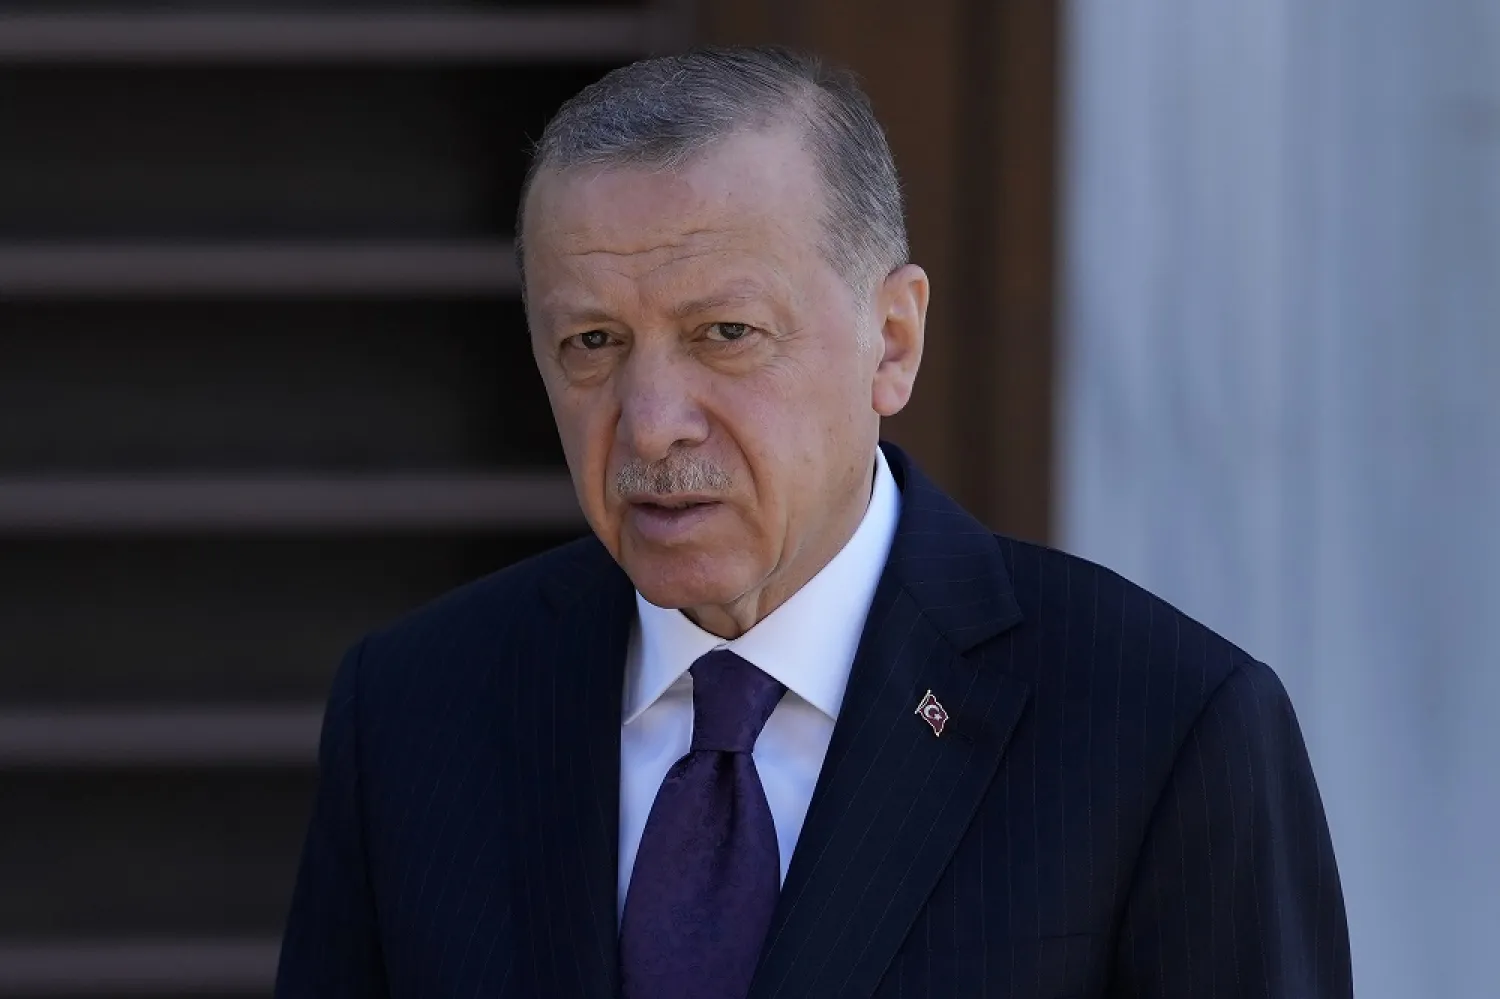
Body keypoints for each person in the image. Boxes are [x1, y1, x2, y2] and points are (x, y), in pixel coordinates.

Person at [276, 46, 1351, 999]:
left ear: (892, 342)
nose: (651, 423)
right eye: (593, 344)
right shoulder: (416, 710)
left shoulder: (1165, 727)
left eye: (725, 333)